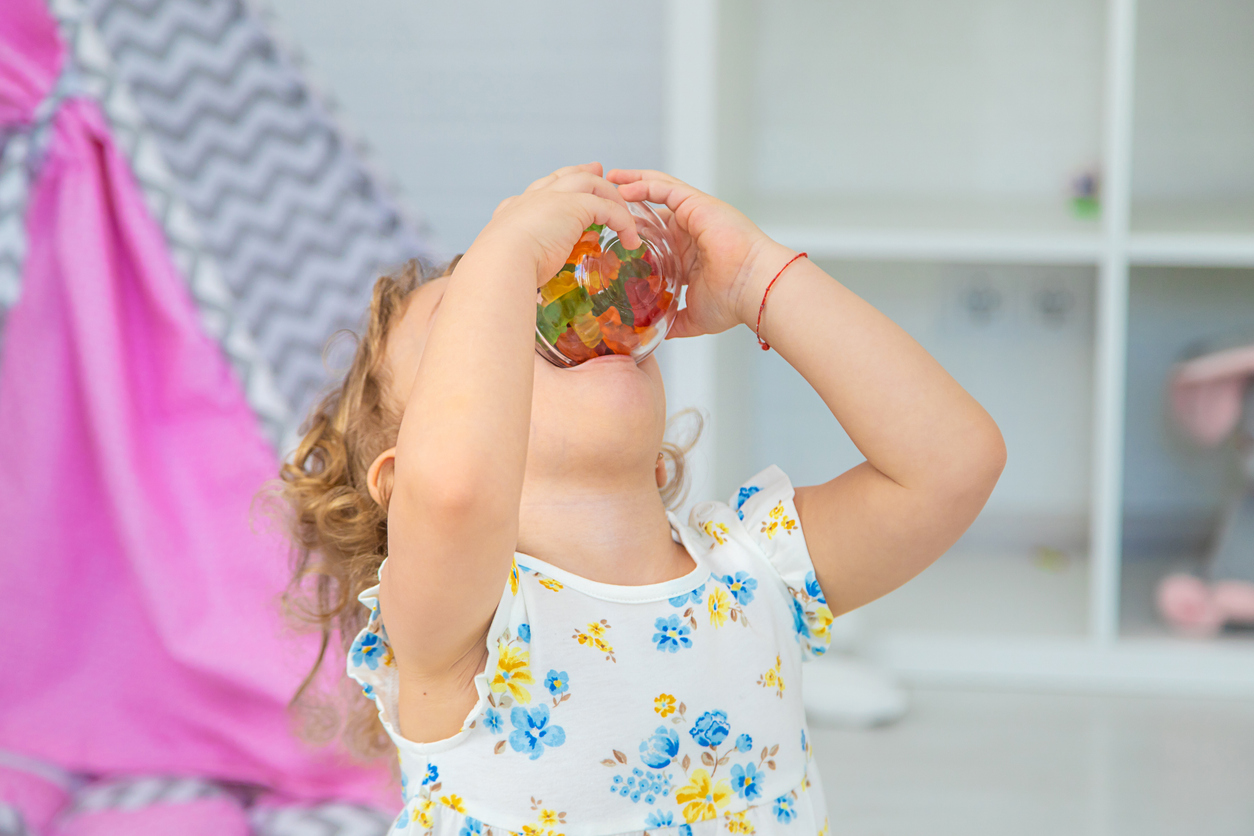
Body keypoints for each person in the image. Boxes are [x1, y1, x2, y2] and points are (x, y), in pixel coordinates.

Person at [279, 163, 1006, 833]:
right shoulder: (454, 629)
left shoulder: (759, 570)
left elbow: (952, 464)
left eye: (517, 298)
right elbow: (456, 493)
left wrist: (760, 280)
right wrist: (501, 255)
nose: (521, 302)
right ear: (398, 488)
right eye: (472, 320)